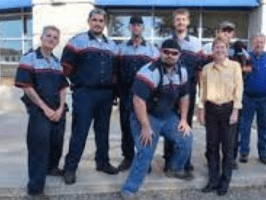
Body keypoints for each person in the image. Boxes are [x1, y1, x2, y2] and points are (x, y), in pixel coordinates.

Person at [120, 39, 193, 200]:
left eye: (174, 53)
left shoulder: (182, 71)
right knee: (145, 151)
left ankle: (174, 168)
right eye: (166, 52)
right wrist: (145, 126)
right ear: (160, 52)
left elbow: (185, 96)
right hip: (145, 116)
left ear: (179, 55)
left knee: (186, 137)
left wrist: (183, 119)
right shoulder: (148, 71)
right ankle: (129, 189)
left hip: (167, 116)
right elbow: (138, 101)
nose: (170, 56)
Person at [61, 9, 119, 185]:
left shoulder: (112, 45)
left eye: (101, 21)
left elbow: (115, 72)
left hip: (106, 94)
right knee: (80, 132)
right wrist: (78, 83)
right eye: (94, 20)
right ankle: (70, 168)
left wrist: (114, 92)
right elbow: (65, 67)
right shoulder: (77, 41)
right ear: (89, 21)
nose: (98, 23)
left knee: (103, 132)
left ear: (105, 23)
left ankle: (102, 163)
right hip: (84, 93)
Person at [15, 26, 68, 197]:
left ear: (58, 41)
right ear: (42, 38)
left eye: (55, 37)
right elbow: (27, 87)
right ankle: (35, 189)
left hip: (57, 111)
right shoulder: (28, 58)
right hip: (39, 111)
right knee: (39, 149)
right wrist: (45, 109)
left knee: (56, 144)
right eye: (49, 36)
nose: (51, 39)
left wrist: (60, 108)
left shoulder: (56, 62)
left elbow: (62, 88)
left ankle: (51, 168)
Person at [198, 36, 243, 196]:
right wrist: (201, 110)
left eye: (223, 48)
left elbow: (238, 90)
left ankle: (225, 181)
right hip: (211, 110)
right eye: (216, 47)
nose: (219, 50)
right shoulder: (206, 69)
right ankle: (213, 180)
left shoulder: (235, 66)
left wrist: (235, 111)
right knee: (212, 147)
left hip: (228, 109)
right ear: (212, 50)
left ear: (227, 50)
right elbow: (202, 92)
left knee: (228, 148)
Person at [162, 8, 203, 174]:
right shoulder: (165, 41)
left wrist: (201, 96)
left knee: (187, 125)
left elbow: (199, 69)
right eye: (178, 19)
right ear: (174, 22)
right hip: (170, 90)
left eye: (183, 19)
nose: (180, 22)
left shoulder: (196, 43)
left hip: (189, 90)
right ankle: (170, 160)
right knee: (170, 124)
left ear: (188, 22)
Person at [116, 16, 159, 172]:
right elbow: (116, 72)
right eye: (133, 25)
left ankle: (144, 159)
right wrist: (118, 93)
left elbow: (157, 73)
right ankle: (127, 158)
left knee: (144, 126)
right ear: (130, 28)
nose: (136, 27)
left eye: (139, 25)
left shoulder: (153, 50)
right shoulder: (120, 48)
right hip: (126, 95)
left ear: (143, 28)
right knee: (126, 127)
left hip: (145, 96)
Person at [238, 33, 266, 165]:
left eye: (261, 42)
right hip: (247, 97)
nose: (259, 44)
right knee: (245, 126)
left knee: (264, 127)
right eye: (256, 42)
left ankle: (263, 153)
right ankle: (244, 152)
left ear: (265, 43)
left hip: (264, 99)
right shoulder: (245, 57)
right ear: (252, 42)